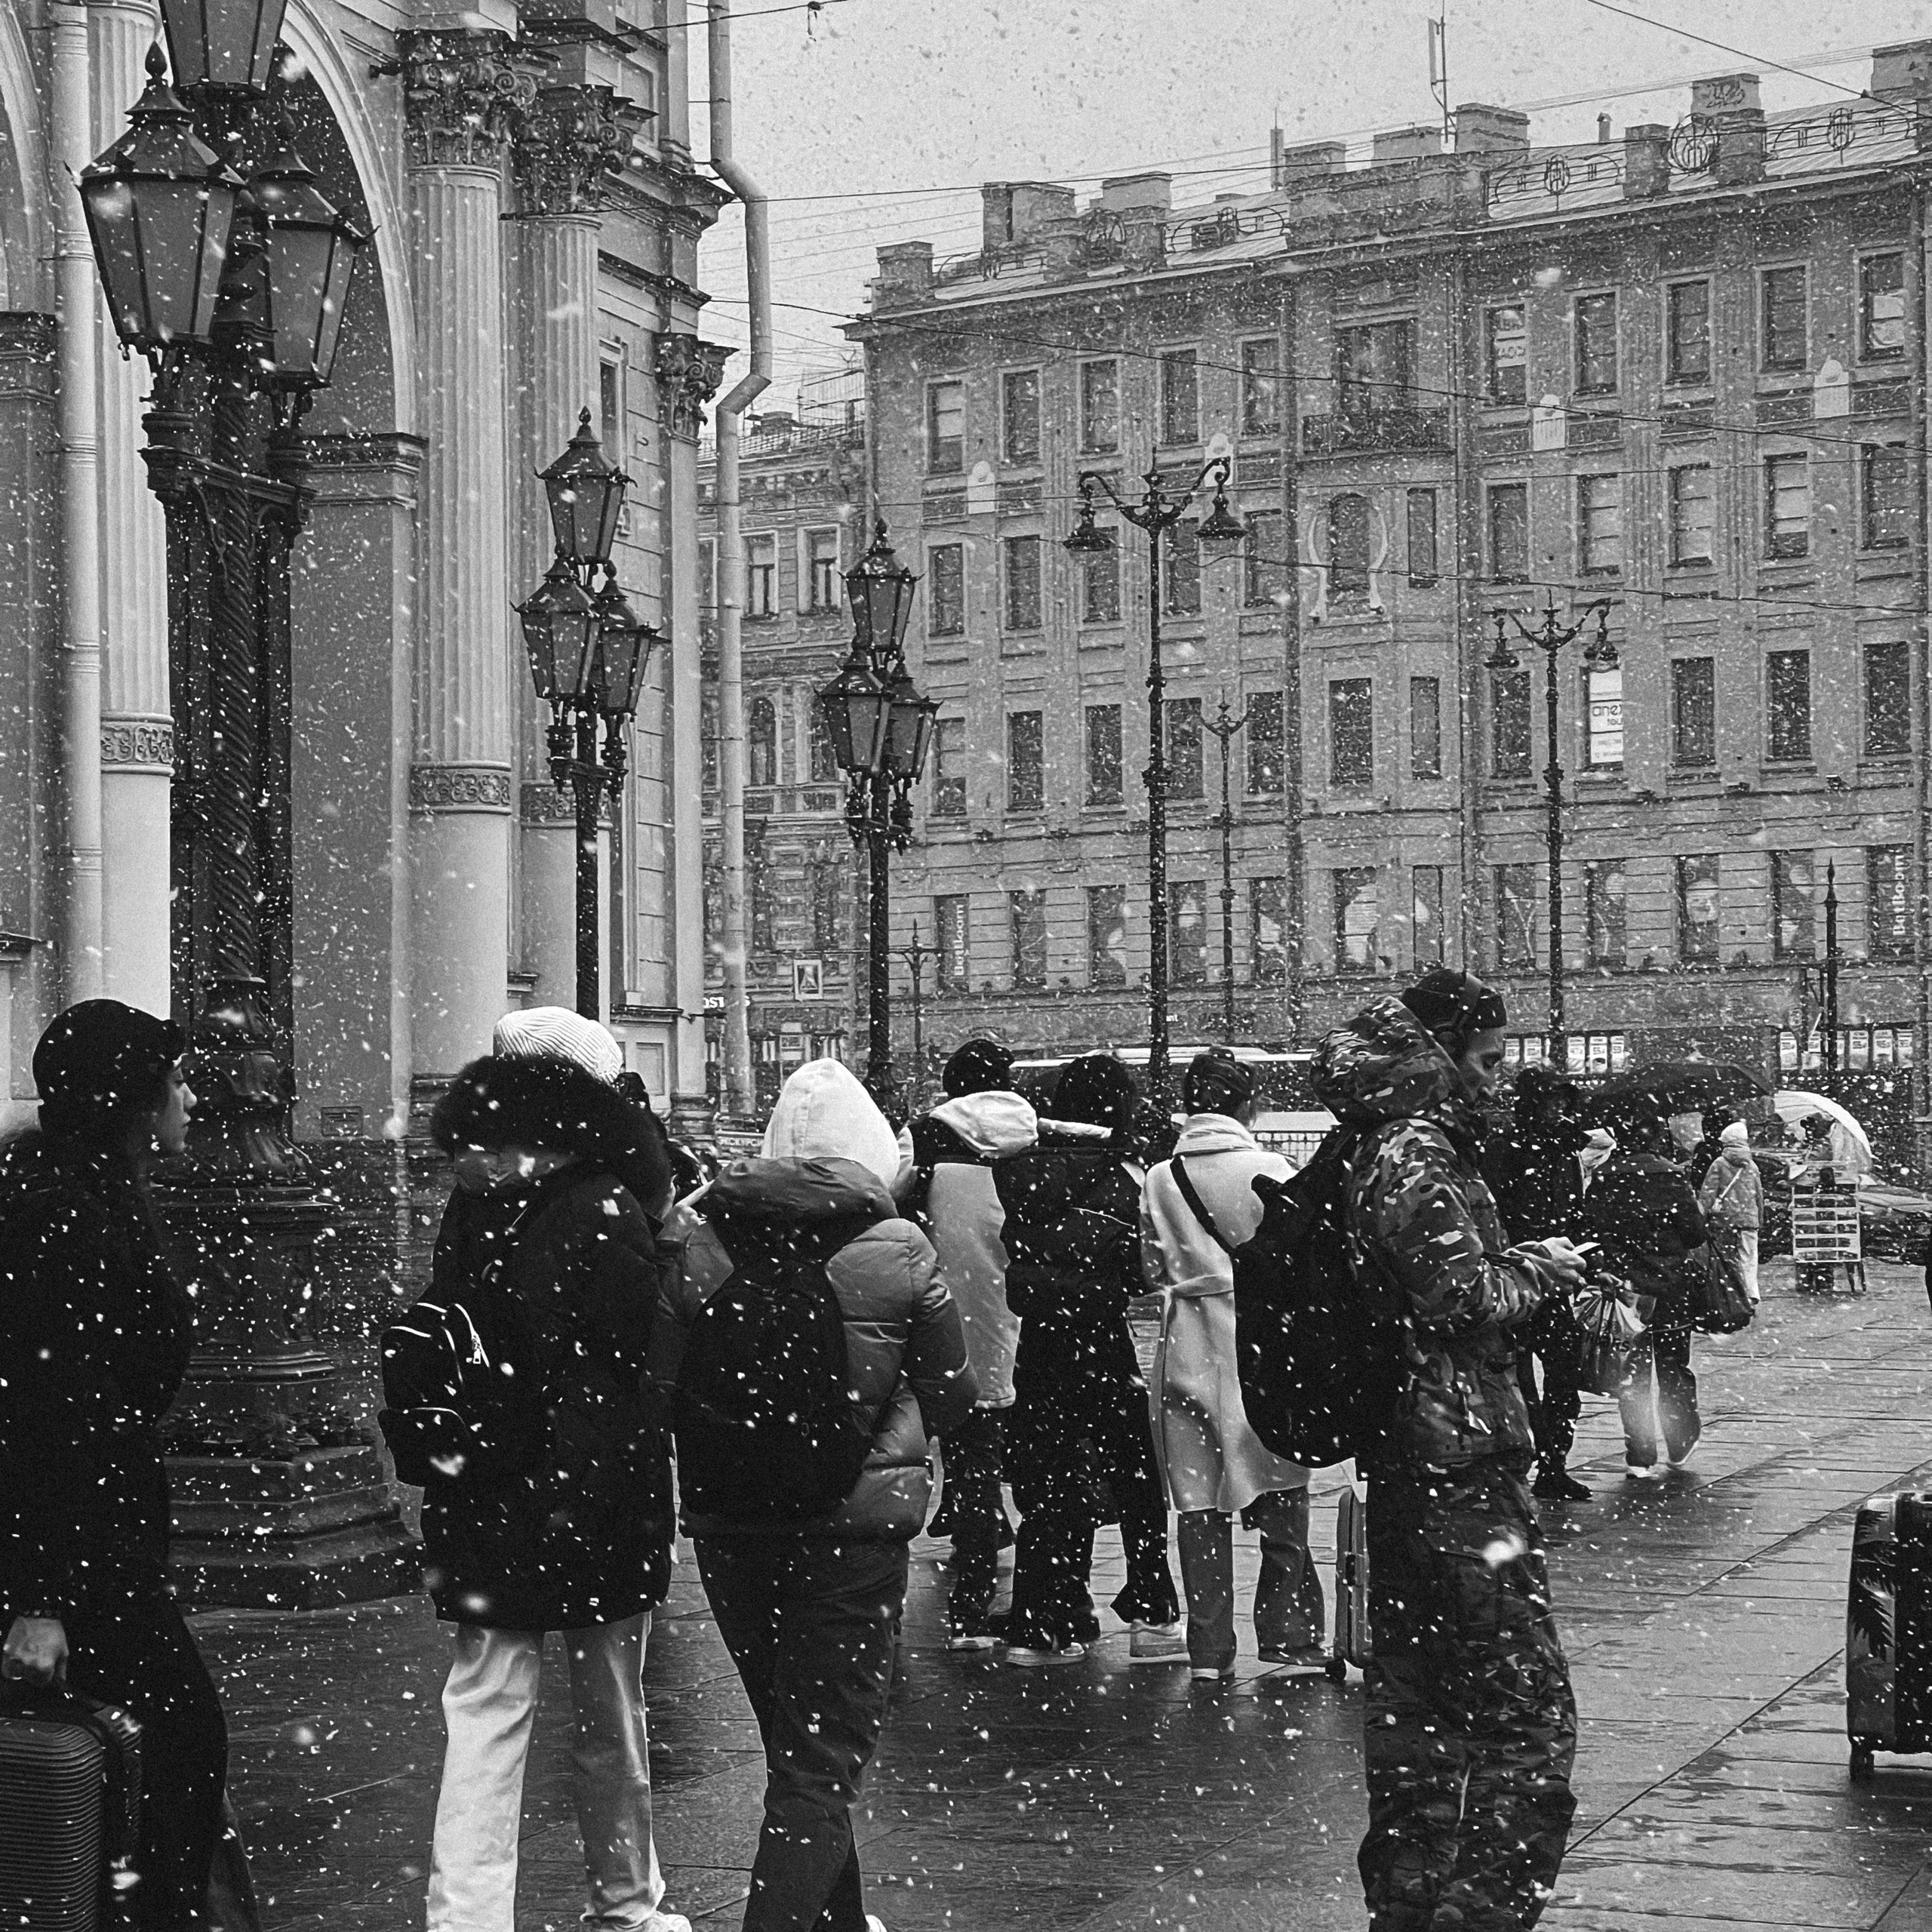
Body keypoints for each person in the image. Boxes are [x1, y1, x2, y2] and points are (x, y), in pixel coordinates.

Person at [383, 1007, 688, 1932]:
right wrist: (576, 1498)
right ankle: (626, 1903)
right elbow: (618, 1379)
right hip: (586, 1500)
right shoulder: (607, 1204)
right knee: (607, 1715)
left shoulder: (483, 1207)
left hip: (491, 1491)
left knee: (490, 1710)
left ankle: (469, 1917)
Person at [656, 1059, 975, 1932]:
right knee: (820, 1759)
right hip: (853, 1535)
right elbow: (954, 1389)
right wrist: (877, 1412)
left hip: (731, 1526)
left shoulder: (696, 1239)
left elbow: (662, 1381)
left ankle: (840, 1921)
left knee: (795, 1750)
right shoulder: (900, 1246)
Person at [1313, 968, 1587, 1932]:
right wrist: (1539, 1269)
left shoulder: (1375, 1143)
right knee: (1528, 1719)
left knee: (1416, 1714)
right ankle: (1481, 1912)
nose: (1500, 1078)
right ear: (1438, 1056)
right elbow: (1461, 1299)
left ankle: (1411, 1903)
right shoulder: (1417, 1152)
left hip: (1408, 1460)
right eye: (1488, 1059)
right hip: (1460, 1466)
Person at [0, 1000, 230, 1930]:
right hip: (78, 1550)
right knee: (179, 1742)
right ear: (133, 1102)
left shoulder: (90, 1192)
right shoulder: (61, 1216)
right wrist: (38, 1596)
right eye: (173, 1080)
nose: (190, 1096)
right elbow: (43, 1417)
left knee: (156, 1755)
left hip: (102, 1541)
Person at [993, 1054, 1183, 1666]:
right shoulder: (1128, 1171)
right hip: (1102, 1340)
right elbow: (1142, 1268)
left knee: (1050, 1481)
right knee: (1136, 1473)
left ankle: (1046, 1619)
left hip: (1040, 1342)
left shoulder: (1015, 1169)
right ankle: (1151, 1610)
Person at [1140, 1050, 1323, 1681]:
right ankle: (1289, 1634)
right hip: (1261, 1340)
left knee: (1197, 1502)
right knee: (1282, 1485)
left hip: (1188, 1339)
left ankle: (1210, 1648)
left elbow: (1150, 1269)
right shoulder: (1273, 1168)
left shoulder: (1161, 1177)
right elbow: (1302, 1260)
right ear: (1247, 1104)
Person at [901, 1038, 1037, 1650]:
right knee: (1031, 1463)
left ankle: (971, 1596)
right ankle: (1040, 1592)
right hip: (1024, 1313)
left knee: (965, 1454)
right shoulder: (1035, 1140)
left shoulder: (927, 1144)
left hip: (946, 1317)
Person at [1484, 1067, 1593, 1503]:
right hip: (1517, 1274)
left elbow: (1577, 1209)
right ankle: (1532, 1455)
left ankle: (1553, 1461)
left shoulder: (1564, 1152)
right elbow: (1493, 1214)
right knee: (1518, 1375)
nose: (1558, 1111)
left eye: (1562, 1103)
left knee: (1564, 1371)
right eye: (1551, 1102)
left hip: (1553, 1277)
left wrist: (1587, 1257)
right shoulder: (1505, 1150)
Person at [1584, 1106, 1708, 1478]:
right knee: (1674, 1367)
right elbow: (1695, 1233)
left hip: (1627, 1289)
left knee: (1632, 1372)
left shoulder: (1604, 1176)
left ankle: (1640, 1453)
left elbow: (1592, 1227)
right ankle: (1681, 1439)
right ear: (1656, 1138)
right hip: (1671, 1286)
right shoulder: (1671, 1175)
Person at [1699, 1120, 1764, 1308]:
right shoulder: (1752, 1166)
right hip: (1749, 1220)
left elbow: (1707, 1194)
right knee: (1749, 1258)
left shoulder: (1719, 1164)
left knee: (1727, 1258)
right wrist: (1759, 1220)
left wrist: (1701, 1217)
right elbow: (1759, 1196)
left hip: (1724, 1220)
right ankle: (1751, 1294)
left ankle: (1732, 1295)